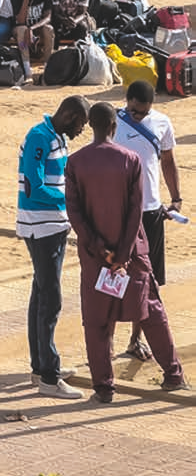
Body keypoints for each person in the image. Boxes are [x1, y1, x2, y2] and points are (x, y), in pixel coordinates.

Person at [65, 102, 186, 403]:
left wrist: (100, 248)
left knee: (96, 321)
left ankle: (104, 388)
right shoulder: (130, 160)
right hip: (132, 255)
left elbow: (75, 213)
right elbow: (135, 212)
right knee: (151, 312)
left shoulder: (75, 162)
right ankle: (173, 375)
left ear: (90, 126)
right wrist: (123, 254)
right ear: (114, 126)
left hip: (95, 258)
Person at [17, 96, 90, 399]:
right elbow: (33, 187)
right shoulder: (39, 137)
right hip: (41, 226)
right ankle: (49, 376)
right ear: (70, 115)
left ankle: (41, 366)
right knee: (51, 300)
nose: (82, 130)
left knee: (41, 294)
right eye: (81, 124)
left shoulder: (58, 137)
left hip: (54, 226)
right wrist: (70, 200)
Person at [114, 81, 183, 363]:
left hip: (151, 211)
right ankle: (104, 341)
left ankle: (136, 339)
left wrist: (176, 198)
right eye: (134, 112)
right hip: (119, 212)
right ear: (126, 101)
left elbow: (168, 161)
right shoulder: (113, 123)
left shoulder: (162, 123)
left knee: (148, 280)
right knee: (114, 275)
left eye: (144, 113)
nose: (139, 117)